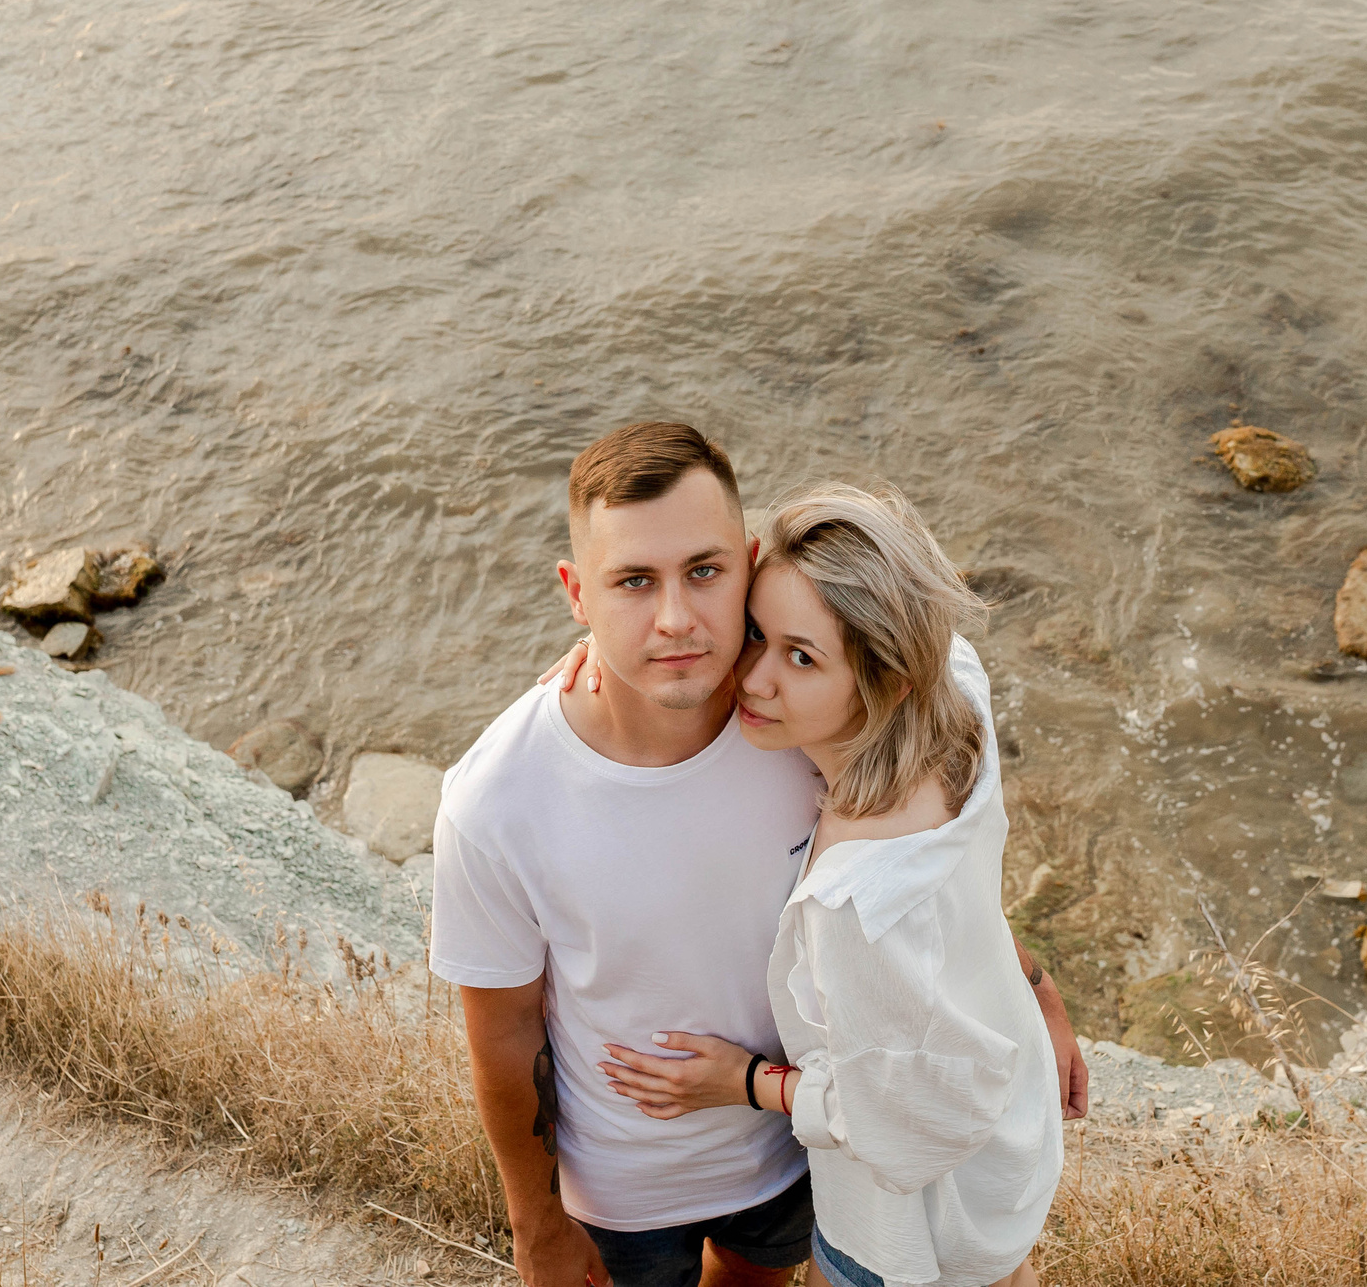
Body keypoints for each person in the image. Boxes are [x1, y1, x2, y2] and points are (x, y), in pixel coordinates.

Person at [432, 424, 1086, 1287]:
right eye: (632, 581)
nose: (675, 619)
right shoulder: (495, 802)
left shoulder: (797, 715)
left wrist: (1030, 984)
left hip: (793, 1153)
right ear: (575, 593)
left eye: (704, 571)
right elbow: (504, 1029)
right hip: (631, 1186)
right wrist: (537, 1223)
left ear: (745, 566)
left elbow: (924, 870)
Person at [591, 485, 1061, 1287]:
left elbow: (892, 1121)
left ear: (889, 680)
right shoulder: (961, 707)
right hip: (1014, 1133)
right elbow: (961, 908)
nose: (755, 679)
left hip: (905, 1227)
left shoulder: (856, 905)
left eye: (802, 657)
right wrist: (609, 650)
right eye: (756, 634)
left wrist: (742, 1081)